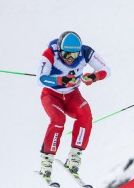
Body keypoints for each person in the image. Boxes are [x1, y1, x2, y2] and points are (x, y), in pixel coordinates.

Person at [36, 31, 111, 179]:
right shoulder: (50, 53)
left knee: (86, 115)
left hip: (72, 95)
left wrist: (93, 77)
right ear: (59, 50)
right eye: (66, 54)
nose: (70, 58)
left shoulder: (86, 52)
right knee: (58, 120)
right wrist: (60, 81)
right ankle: (47, 159)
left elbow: (106, 70)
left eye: (74, 55)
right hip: (51, 95)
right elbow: (40, 79)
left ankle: (74, 156)